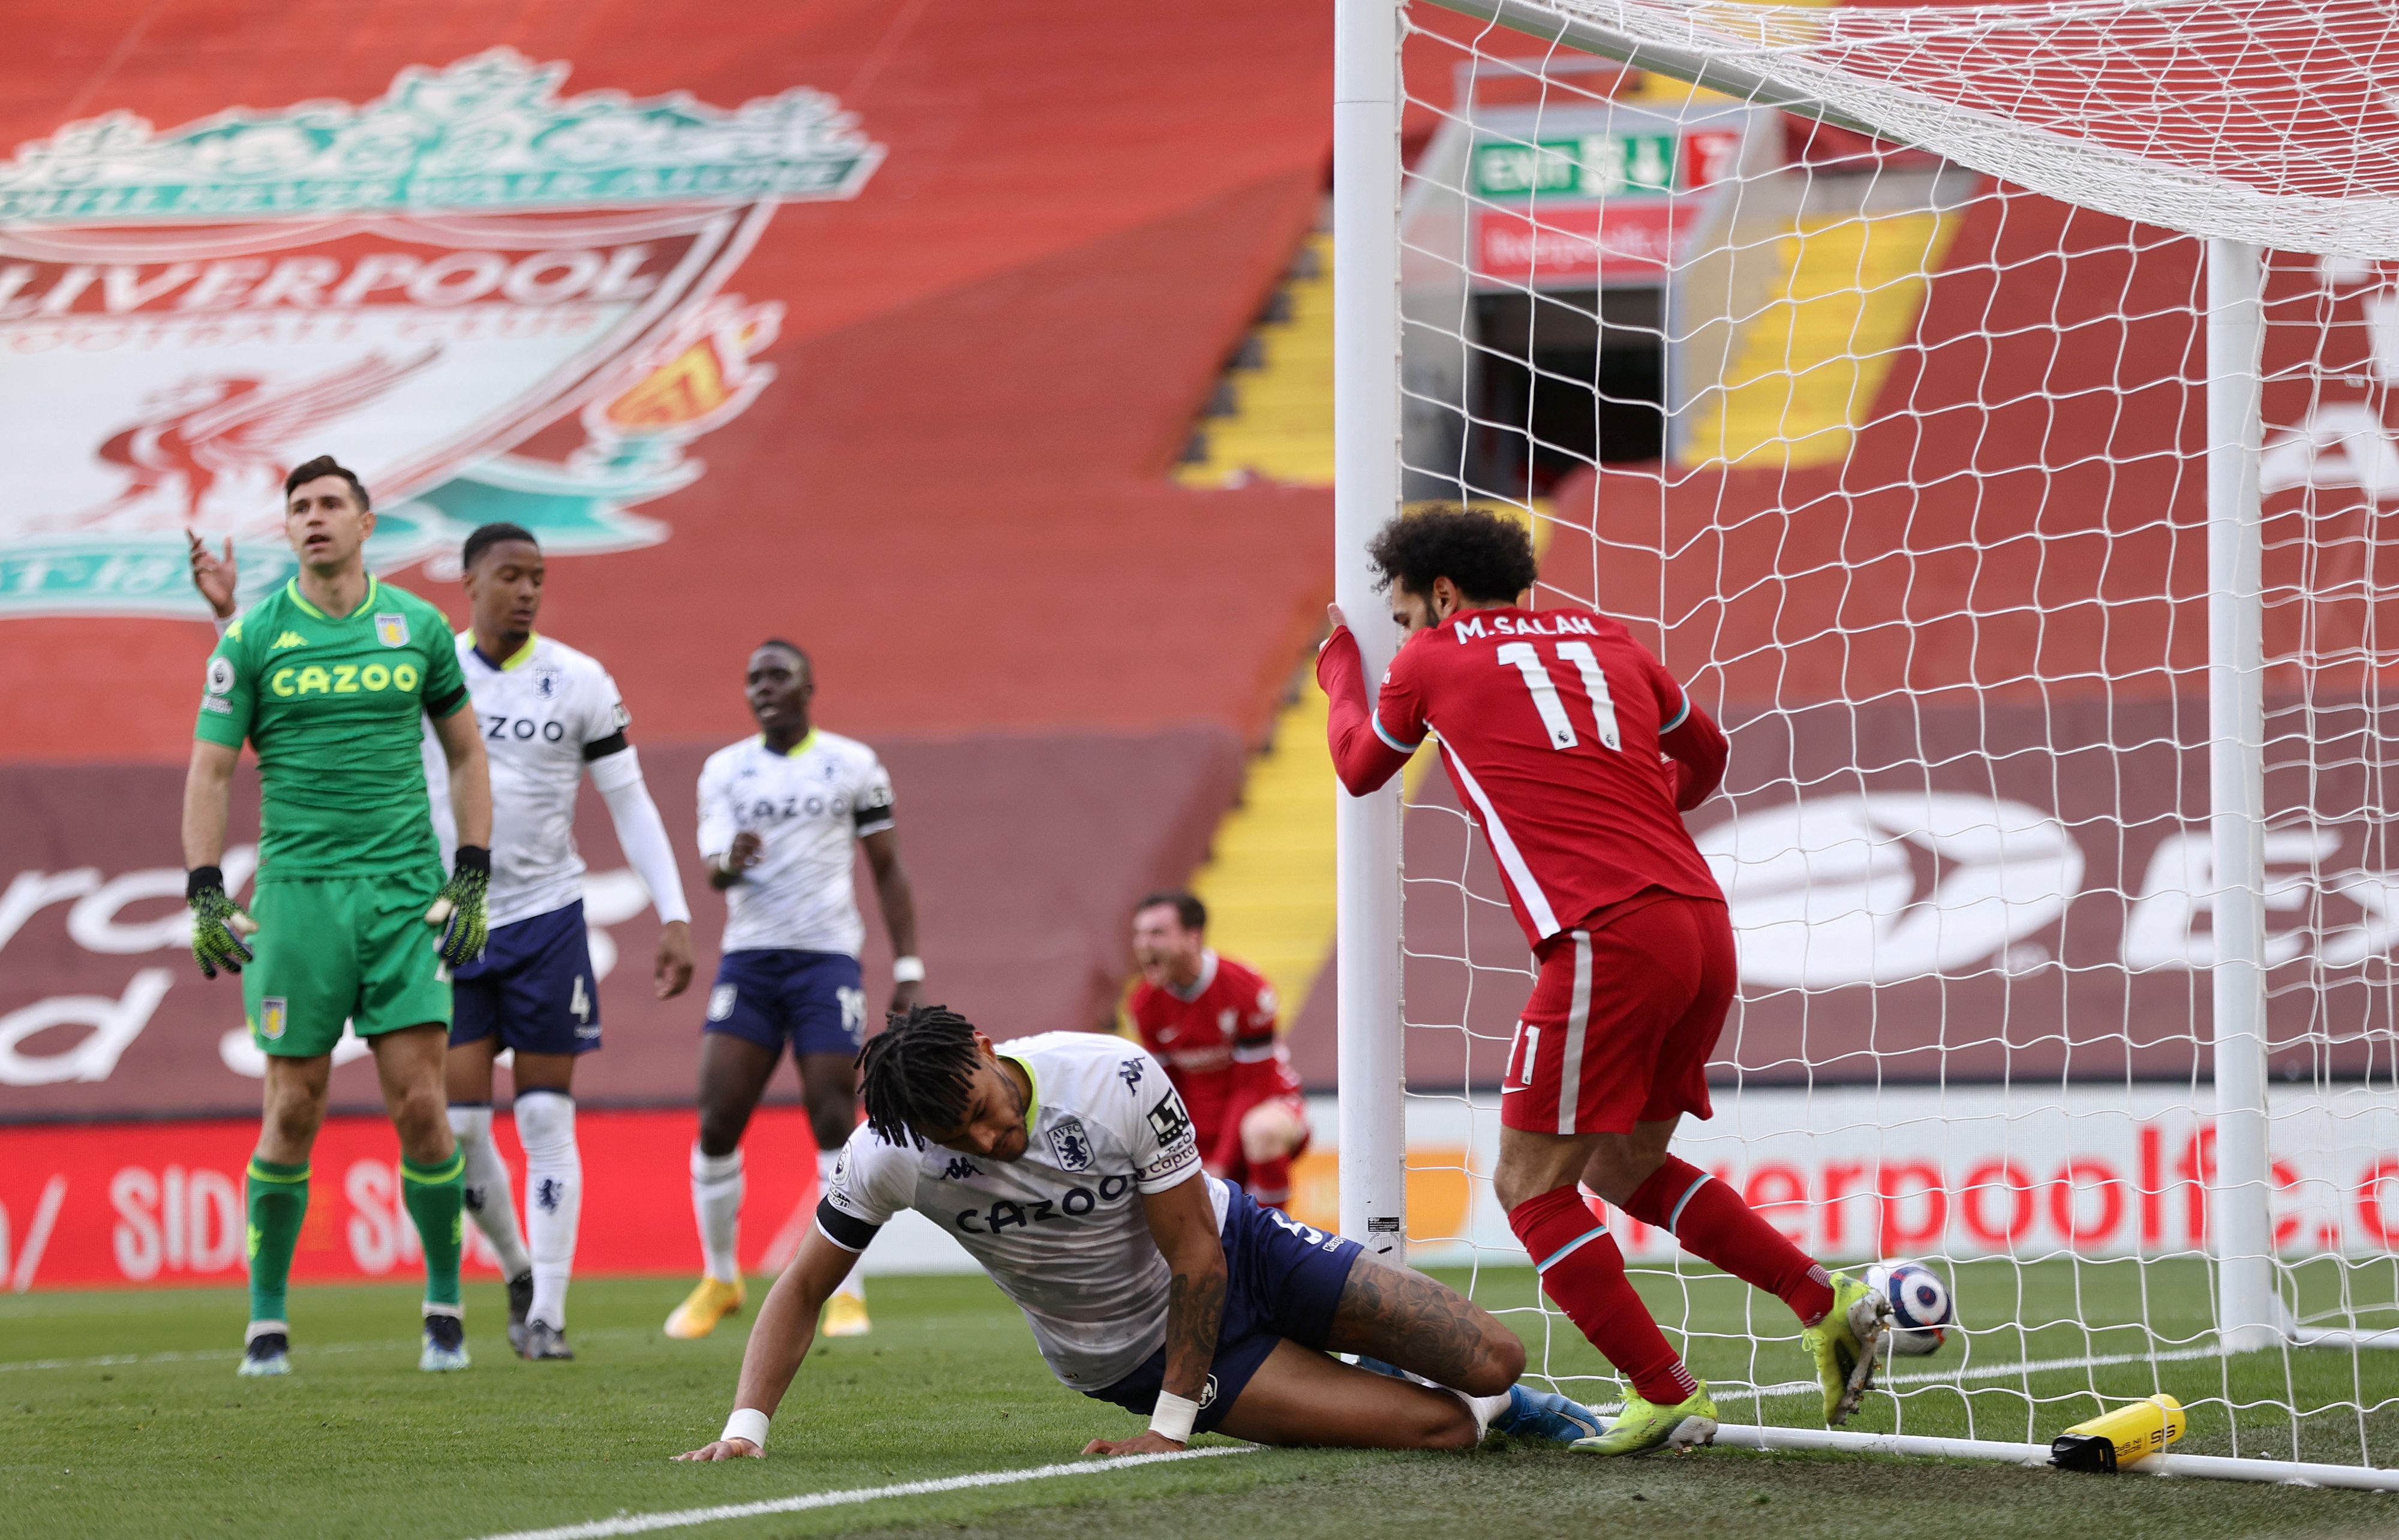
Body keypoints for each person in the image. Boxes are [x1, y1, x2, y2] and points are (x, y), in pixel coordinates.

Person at [1316, 504, 1890, 1455]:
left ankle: (1665, 1390)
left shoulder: (1431, 657)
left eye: (1409, 613)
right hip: (1700, 925)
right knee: (1623, 1165)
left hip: (1604, 938)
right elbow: (1707, 756)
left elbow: (1359, 765)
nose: (1409, 633)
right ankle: (1822, 1299)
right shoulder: (1612, 640)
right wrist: (1635, 809)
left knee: (1530, 1189)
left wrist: (1343, 666)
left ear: (1444, 595)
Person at [194, 521, 704, 1361]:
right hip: (442, 917)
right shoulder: (426, 663)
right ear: (469, 583)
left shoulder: (579, 679)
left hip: (546, 915)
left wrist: (674, 909)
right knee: (456, 1127)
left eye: (539, 576)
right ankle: (513, 1267)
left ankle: (548, 1310)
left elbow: (632, 800)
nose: (529, 590)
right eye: (511, 575)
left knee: (545, 1112)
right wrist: (226, 624)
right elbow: (293, 692)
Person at [673, 1004, 1604, 1461]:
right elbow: (801, 1288)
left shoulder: (1111, 1076)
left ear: (991, 1054)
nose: (992, 1141)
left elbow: (1197, 1255)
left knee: (1495, 1357)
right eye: (964, 1140)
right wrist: (746, 1428)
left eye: (989, 1112)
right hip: (1123, 1351)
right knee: (1445, 1429)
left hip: (1240, 1250)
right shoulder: (888, 1155)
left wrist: (1171, 1433)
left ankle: (1484, 1391)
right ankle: (1459, 1409)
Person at [180, 455, 492, 1377]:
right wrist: (205, 886)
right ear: (289, 531)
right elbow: (208, 769)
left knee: (424, 1109)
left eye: (330, 505)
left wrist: (471, 869)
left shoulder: (419, 627)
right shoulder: (250, 640)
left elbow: (467, 755)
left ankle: (443, 1306)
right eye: (300, 508)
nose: (314, 518)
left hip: (402, 897)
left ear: (366, 524)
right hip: (298, 902)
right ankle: (266, 1326)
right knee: (293, 1109)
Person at [665, 640, 919, 1342]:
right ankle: (721, 1277)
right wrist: (729, 863)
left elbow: (888, 868)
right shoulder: (725, 770)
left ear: (810, 687)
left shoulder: (853, 764)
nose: (762, 688)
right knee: (717, 1115)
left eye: (777, 676)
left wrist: (908, 964)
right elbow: (714, 870)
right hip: (748, 961)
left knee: (832, 1115)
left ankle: (847, 1290)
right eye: (753, 679)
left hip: (825, 961)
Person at [1126, 891, 1309, 1210]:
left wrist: (1220, 1162)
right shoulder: (1145, 1004)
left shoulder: (1243, 986)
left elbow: (1252, 1086)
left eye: (1157, 933)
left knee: (1261, 1130)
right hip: (1201, 1127)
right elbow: (1166, 1090)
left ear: (1192, 937)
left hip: (1267, 1105)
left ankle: (1273, 1238)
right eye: (1138, 934)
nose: (1143, 944)